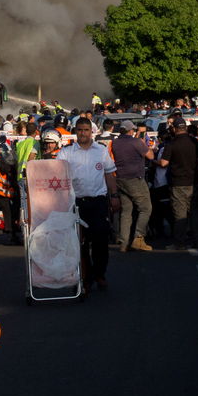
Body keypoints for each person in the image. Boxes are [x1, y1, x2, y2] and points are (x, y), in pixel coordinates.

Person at [56, 116, 120, 292]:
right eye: (80, 130)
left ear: (91, 131)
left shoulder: (100, 150)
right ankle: (86, 277)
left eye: (86, 130)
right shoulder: (66, 153)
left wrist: (114, 196)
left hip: (98, 202)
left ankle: (100, 274)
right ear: (75, 131)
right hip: (76, 204)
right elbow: (56, 176)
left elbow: (109, 174)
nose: (83, 133)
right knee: (79, 243)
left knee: (100, 242)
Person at [160, 121, 198, 248]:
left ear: (174, 129)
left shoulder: (171, 144)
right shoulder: (194, 142)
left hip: (178, 182)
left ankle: (180, 242)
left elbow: (164, 163)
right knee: (194, 212)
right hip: (194, 181)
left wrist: (154, 161)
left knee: (180, 214)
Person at [112, 120, 154, 252]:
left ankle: (124, 243)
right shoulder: (136, 142)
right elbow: (151, 156)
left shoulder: (115, 143)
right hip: (135, 178)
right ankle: (139, 237)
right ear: (131, 131)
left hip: (120, 178)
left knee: (126, 211)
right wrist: (142, 144)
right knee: (146, 208)